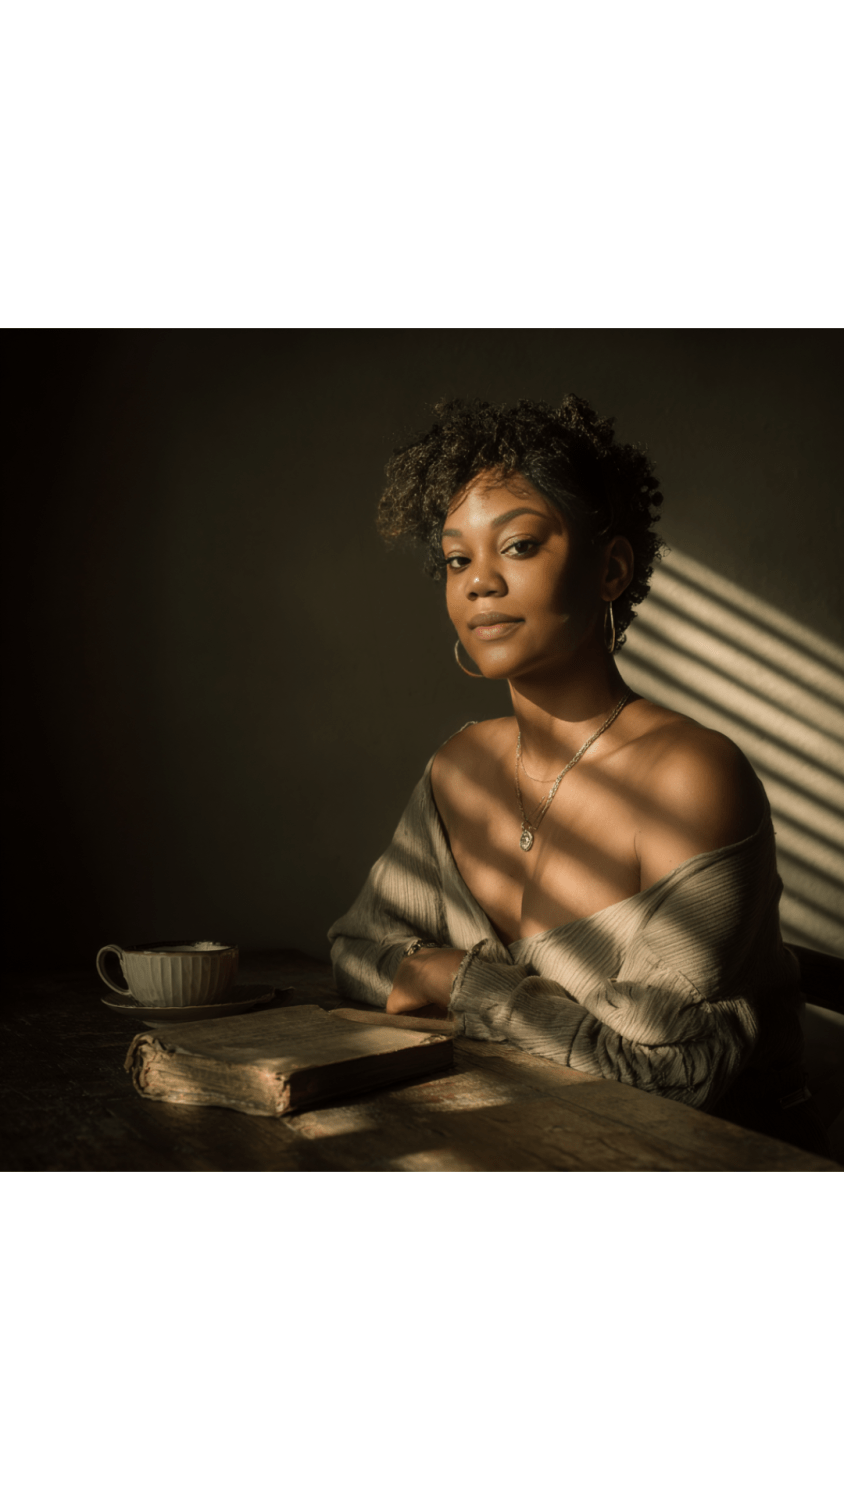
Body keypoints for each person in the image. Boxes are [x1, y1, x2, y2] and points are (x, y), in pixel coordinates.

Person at [328, 395, 829, 1157]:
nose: (479, 582)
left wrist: (459, 982)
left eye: (519, 546)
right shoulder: (459, 769)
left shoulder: (690, 778)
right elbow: (356, 949)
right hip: (527, 1142)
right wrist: (524, 1012)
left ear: (612, 569)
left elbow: (665, 1075)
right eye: (458, 559)